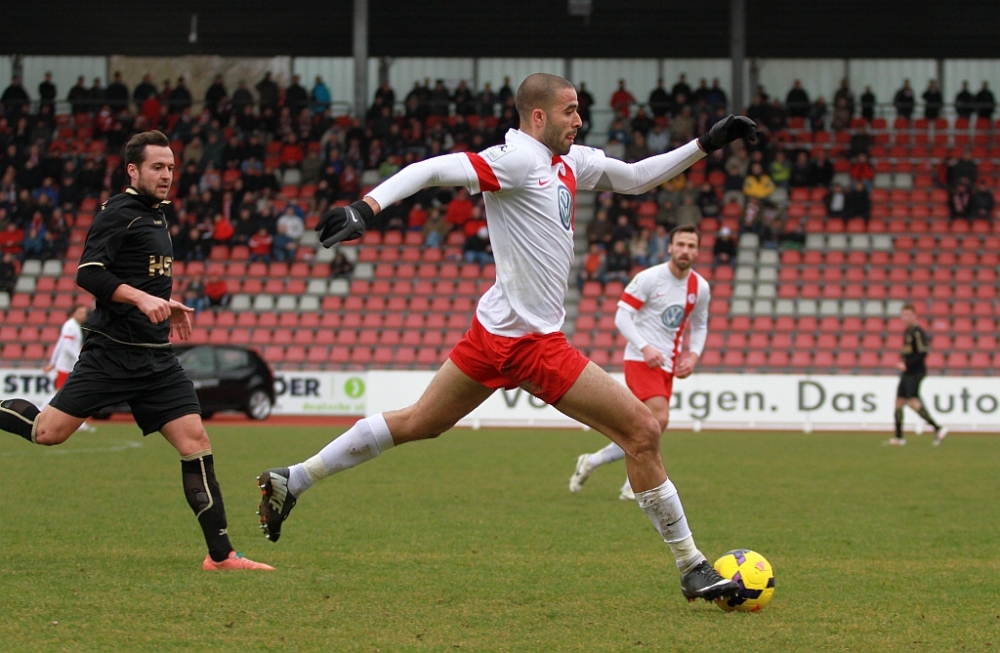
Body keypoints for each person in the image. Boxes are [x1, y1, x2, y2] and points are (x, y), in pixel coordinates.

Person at [256, 73, 756, 603]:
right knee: (642, 430)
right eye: (570, 110)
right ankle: (691, 564)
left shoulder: (569, 162)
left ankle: (295, 478)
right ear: (538, 116)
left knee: (419, 421)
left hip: (492, 331)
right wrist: (366, 206)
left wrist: (705, 143)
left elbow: (634, 177)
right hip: (531, 344)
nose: (579, 120)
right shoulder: (515, 160)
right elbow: (432, 169)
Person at [0, 131, 272, 571]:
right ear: (133, 170)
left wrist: (165, 302)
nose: (166, 175)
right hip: (111, 353)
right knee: (47, 433)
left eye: (171, 168)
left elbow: (142, 277)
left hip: (156, 358)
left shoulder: (156, 215)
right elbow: (89, 273)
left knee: (195, 442)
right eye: (157, 167)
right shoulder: (118, 212)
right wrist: (141, 298)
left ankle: (221, 556)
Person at [570, 225, 709, 501]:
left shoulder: (699, 287)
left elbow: (700, 323)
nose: (685, 250)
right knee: (659, 418)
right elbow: (622, 316)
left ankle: (594, 462)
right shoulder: (649, 278)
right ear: (670, 247)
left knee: (646, 429)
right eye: (680, 244)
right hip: (640, 359)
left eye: (691, 246)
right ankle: (634, 484)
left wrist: (693, 355)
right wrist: (644, 347)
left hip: (667, 364)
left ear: (697, 251)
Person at [887, 304, 948, 447]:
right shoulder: (907, 331)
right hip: (907, 372)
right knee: (899, 401)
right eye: (904, 315)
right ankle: (898, 437)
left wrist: (907, 364)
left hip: (916, 372)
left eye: (908, 315)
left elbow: (923, 352)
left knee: (912, 402)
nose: (906, 318)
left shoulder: (918, 332)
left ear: (914, 316)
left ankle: (938, 428)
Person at [41, 305, 95, 432]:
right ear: (73, 312)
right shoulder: (71, 326)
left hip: (67, 365)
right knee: (62, 393)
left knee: (65, 393)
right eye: (80, 312)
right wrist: (79, 358)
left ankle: (41, 413)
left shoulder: (74, 326)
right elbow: (66, 346)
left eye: (84, 312)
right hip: (66, 366)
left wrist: (53, 362)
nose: (83, 315)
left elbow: (60, 344)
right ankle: (40, 412)